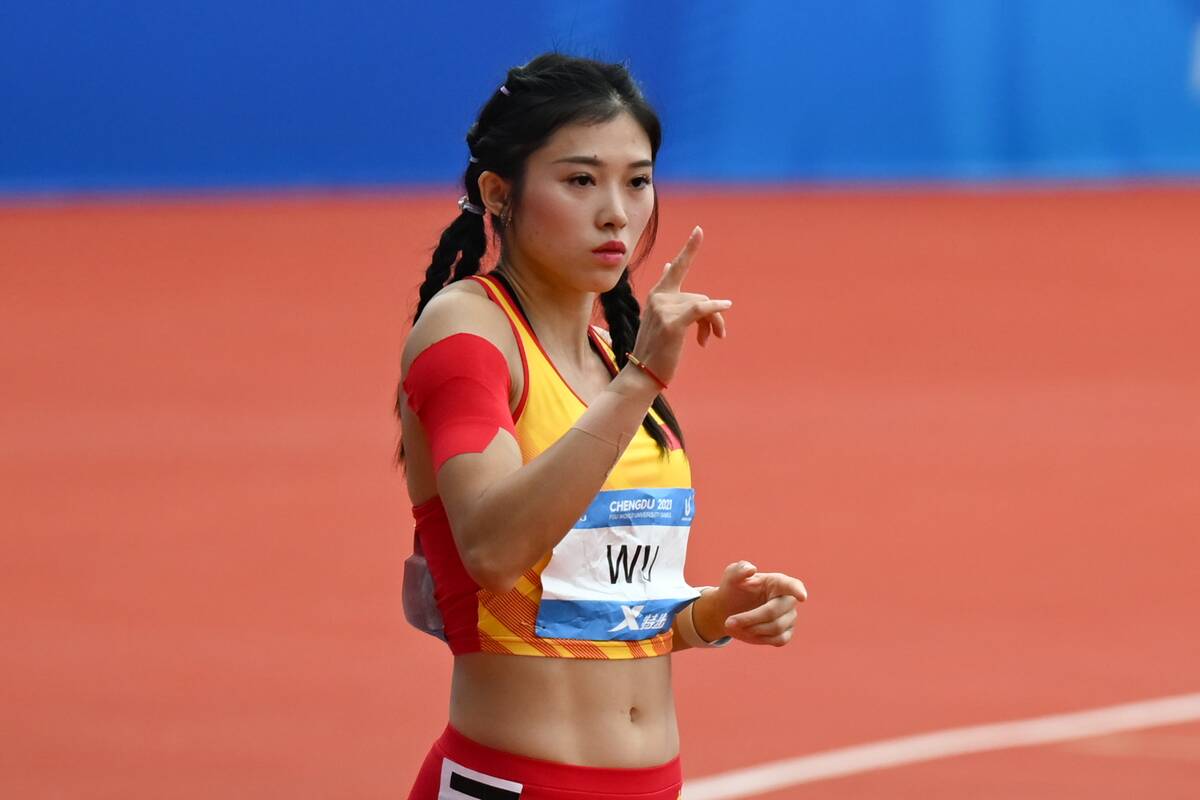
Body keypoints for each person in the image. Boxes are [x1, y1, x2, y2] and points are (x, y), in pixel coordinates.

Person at [397, 53, 808, 800]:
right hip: (514, 784)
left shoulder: (606, 352)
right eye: (581, 179)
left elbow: (581, 607)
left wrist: (707, 614)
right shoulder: (467, 334)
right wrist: (641, 380)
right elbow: (491, 549)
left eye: (638, 180)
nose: (617, 210)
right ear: (499, 193)